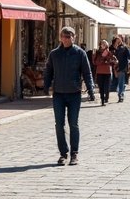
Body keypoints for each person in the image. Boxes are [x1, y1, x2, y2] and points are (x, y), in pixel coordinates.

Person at [43, 26, 96, 166]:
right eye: (63, 36)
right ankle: (63, 153)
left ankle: (74, 153)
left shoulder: (80, 53)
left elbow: (87, 72)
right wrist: (46, 85)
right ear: (60, 38)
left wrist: (90, 89)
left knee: (73, 124)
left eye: (68, 36)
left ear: (74, 37)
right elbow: (48, 71)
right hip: (59, 94)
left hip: (74, 93)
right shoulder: (54, 54)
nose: (66, 39)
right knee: (59, 125)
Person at [92, 40, 117, 105]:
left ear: (106, 45)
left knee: (107, 86)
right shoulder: (97, 52)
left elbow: (115, 60)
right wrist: (102, 58)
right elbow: (95, 62)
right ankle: (102, 100)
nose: (103, 45)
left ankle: (106, 98)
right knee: (101, 87)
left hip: (107, 71)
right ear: (100, 45)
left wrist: (110, 61)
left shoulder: (109, 52)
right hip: (100, 71)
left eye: (104, 44)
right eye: (102, 43)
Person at [112, 36, 130, 101]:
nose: (117, 42)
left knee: (121, 81)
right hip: (117, 67)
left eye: (118, 41)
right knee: (121, 82)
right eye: (116, 41)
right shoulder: (114, 49)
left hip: (121, 68)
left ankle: (120, 94)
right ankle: (121, 94)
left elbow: (129, 57)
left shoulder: (124, 48)